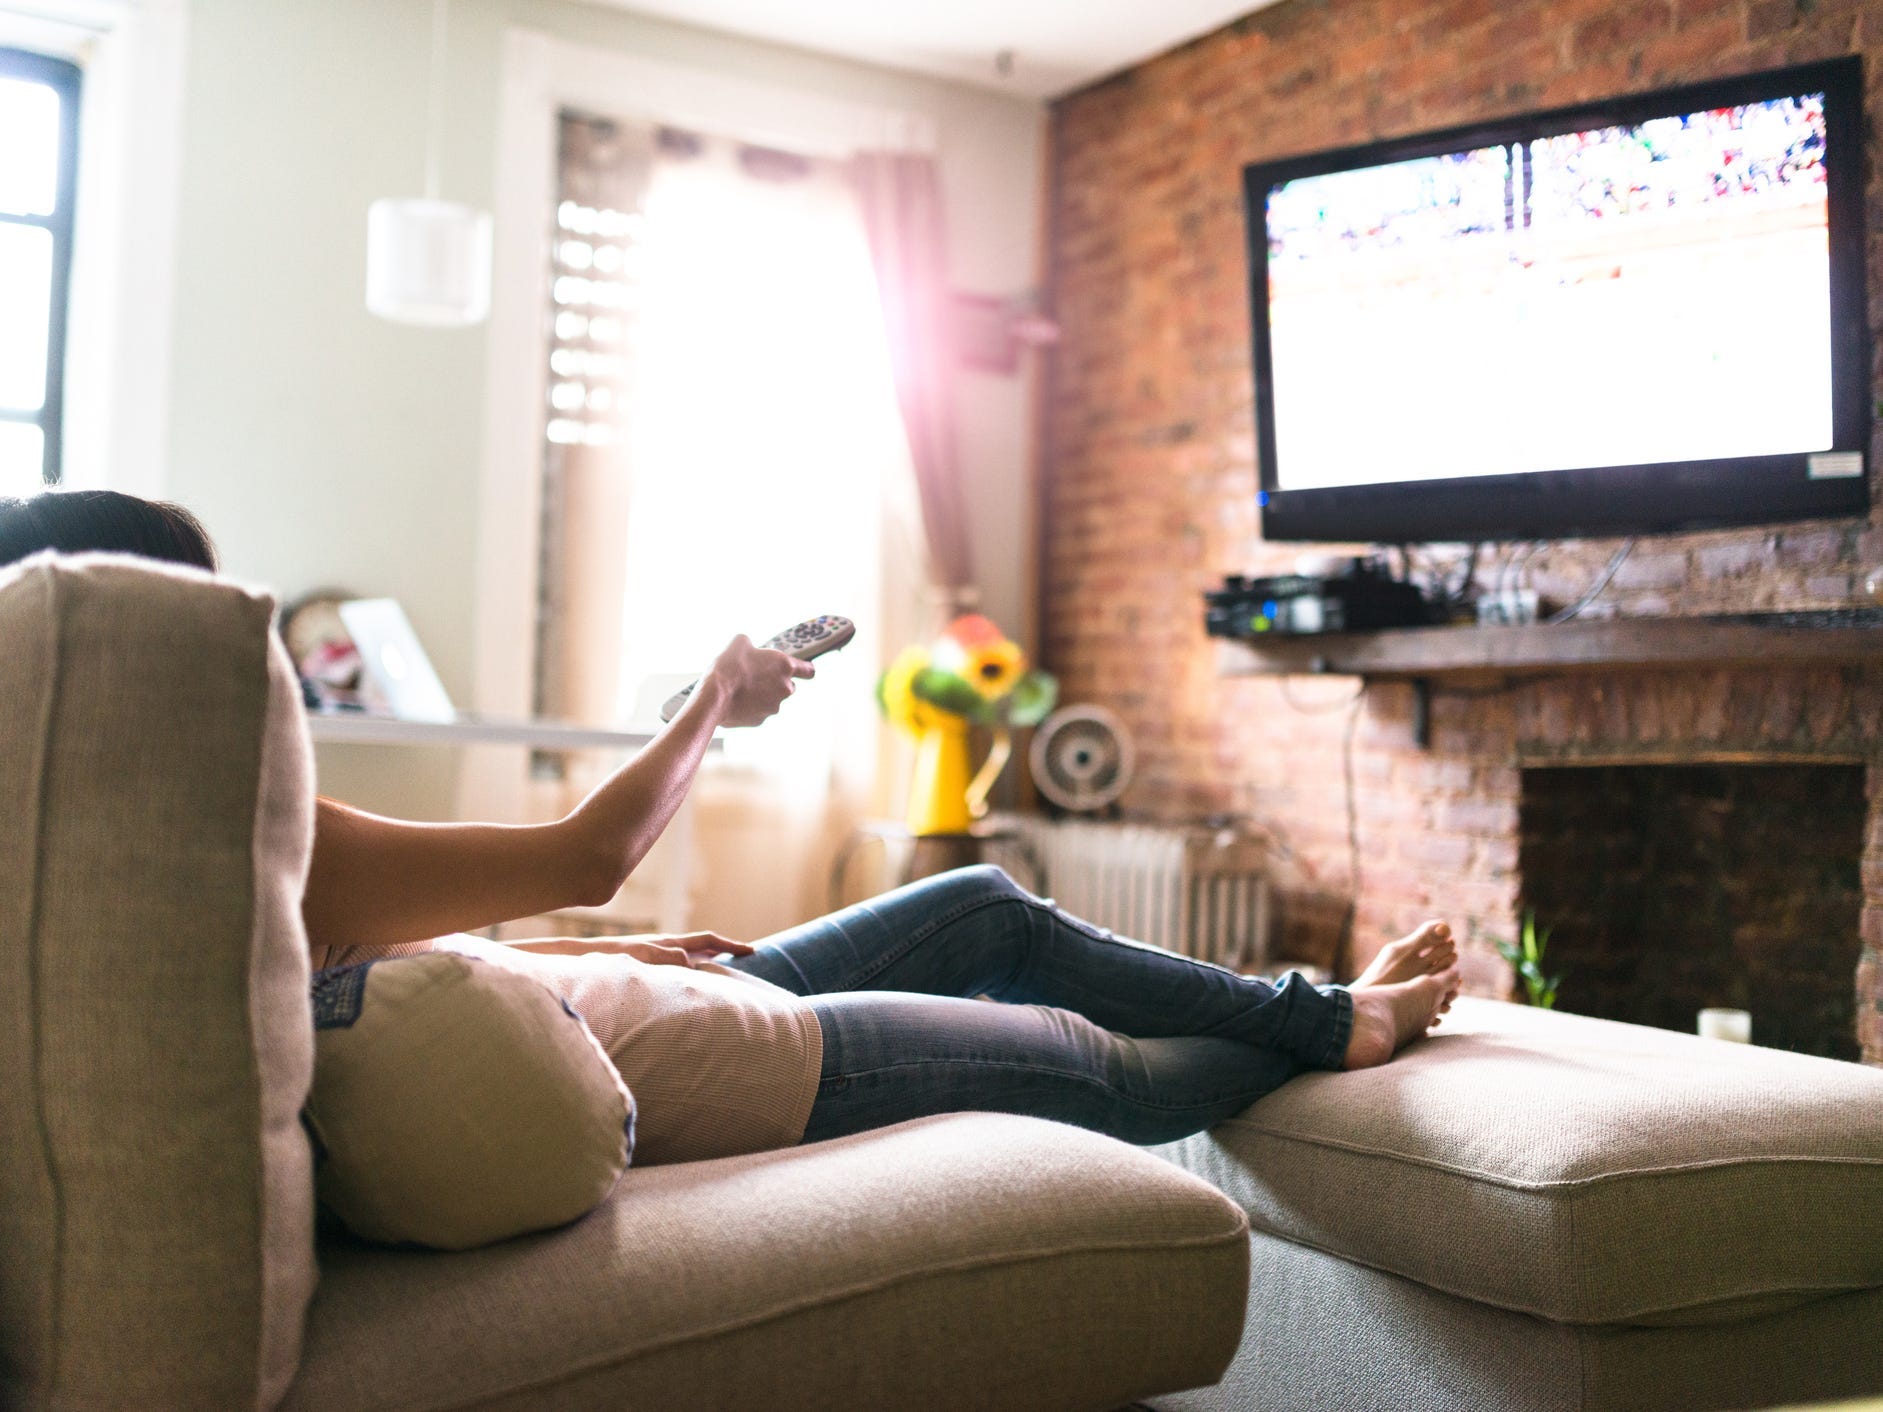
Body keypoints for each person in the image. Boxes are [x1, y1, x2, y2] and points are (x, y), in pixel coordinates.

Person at [1, 490, 1460, 1165]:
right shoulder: (238, 855)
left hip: (628, 997)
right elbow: (583, 849)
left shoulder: (116, 877)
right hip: (701, 1062)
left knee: (992, 914)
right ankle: (1335, 1032)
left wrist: (613, 951)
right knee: (1098, 1071)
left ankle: (1320, 1016)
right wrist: (721, 691)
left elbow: (402, 973)